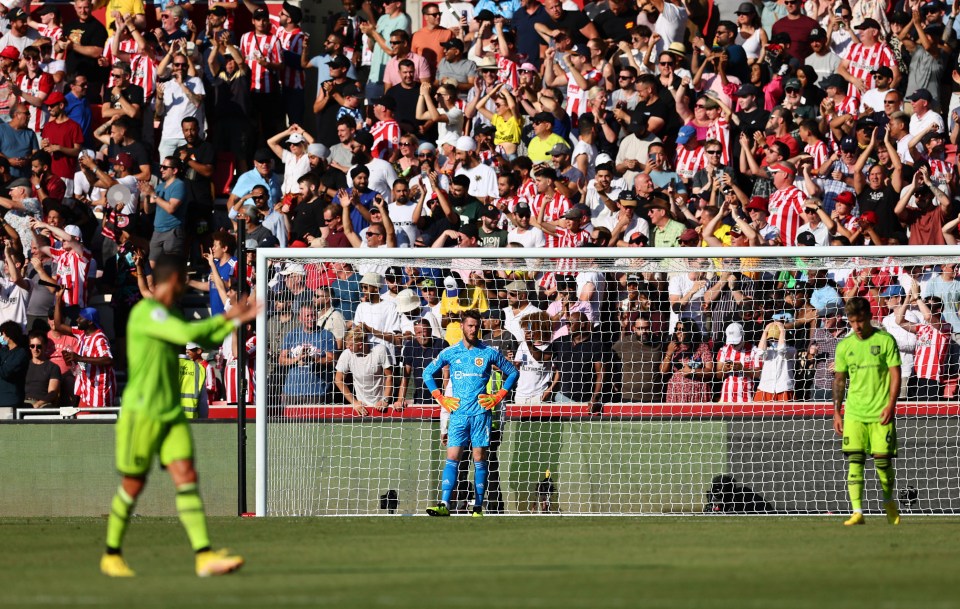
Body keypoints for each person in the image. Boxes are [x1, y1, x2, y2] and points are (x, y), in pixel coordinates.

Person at [99, 254, 259, 577]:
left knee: (186, 477)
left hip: (171, 413)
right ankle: (111, 554)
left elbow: (202, 336)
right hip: (141, 414)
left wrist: (232, 320)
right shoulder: (146, 312)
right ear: (173, 282)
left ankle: (204, 555)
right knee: (133, 485)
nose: (184, 289)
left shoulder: (165, 312)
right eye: (183, 283)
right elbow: (183, 332)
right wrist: (227, 318)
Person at [422, 309, 518, 517]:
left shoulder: (489, 352)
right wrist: (440, 398)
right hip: (458, 415)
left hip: (481, 415)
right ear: (462, 326)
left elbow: (513, 372)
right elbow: (427, 372)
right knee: (453, 457)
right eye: (470, 326)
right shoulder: (450, 352)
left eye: (476, 326)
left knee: (479, 459)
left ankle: (478, 507)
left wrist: (497, 396)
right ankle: (444, 504)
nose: (473, 329)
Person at [833, 296, 902, 526]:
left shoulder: (885, 341)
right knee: (855, 459)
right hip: (854, 413)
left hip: (881, 411)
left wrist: (891, 405)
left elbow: (895, 374)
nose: (857, 327)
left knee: (882, 462)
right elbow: (840, 380)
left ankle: (888, 502)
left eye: (860, 321)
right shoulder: (845, 345)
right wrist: (836, 411)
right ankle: (857, 511)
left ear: (869, 317)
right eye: (852, 322)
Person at [23, 329, 61, 409]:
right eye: (32, 346)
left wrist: (38, 404)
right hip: (25, 402)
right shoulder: (24, 365)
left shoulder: (53, 367)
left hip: (44, 404)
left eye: (39, 346)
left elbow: (52, 392)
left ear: (45, 346)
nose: (35, 349)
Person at [0, 320, 28, 413]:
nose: (1, 337)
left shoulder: (21, 353)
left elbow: (6, 372)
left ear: (9, 335)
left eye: (2, 334)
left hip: (10, 401)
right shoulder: (3, 351)